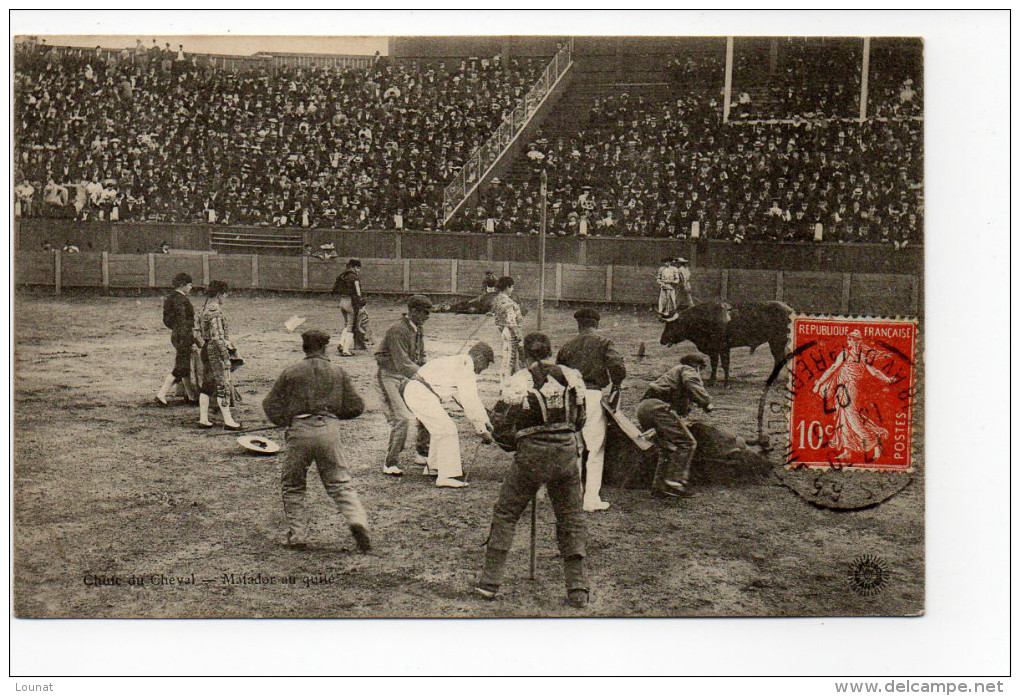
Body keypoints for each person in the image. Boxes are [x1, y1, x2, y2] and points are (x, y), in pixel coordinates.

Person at [475, 332, 590, 608]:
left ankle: (490, 583)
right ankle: (577, 589)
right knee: (571, 518)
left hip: (531, 457)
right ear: (551, 351)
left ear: (526, 354)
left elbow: (501, 427)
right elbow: (580, 419)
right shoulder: (573, 376)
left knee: (506, 513)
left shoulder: (518, 380)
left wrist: (515, 443)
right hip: (565, 453)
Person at [262, 329, 372, 552]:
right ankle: (357, 522)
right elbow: (357, 406)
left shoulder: (291, 371)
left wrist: (285, 421)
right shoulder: (338, 371)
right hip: (329, 430)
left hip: (299, 431)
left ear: (304, 347)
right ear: (325, 347)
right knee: (339, 482)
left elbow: (269, 403)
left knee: (293, 483)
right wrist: (333, 414)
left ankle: (298, 535)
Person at [556, 308, 627, 512]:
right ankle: (591, 499)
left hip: (570, 398)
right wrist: (616, 385)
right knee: (595, 449)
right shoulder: (604, 343)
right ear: (596, 324)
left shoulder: (568, 346)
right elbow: (617, 367)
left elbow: (558, 373)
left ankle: (573, 497)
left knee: (575, 448)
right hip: (593, 396)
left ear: (578, 325)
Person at [403, 343, 496, 488]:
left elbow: (463, 399)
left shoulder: (460, 362)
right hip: (420, 392)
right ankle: (446, 476)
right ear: (479, 357)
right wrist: (481, 431)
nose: (485, 368)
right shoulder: (466, 366)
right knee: (448, 430)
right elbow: (470, 400)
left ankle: (434, 467)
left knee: (440, 430)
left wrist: (485, 421)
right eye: (486, 363)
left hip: (418, 391)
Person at [636, 354, 715, 499]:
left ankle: (659, 487)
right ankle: (675, 483)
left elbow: (681, 406)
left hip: (644, 408)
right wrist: (706, 402)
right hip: (657, 407)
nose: (700, 373)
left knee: (668, 448)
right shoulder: (687, 370)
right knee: (687, 443)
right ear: (697, 366)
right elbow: (691, 382)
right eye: (701, 369)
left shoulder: (673, 375)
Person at [811, 329, 897, 461]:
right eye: (848, 339)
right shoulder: (851, 354)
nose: (847, 341)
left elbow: (873, 371)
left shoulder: (855, 355)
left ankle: (874, 441)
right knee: (842, 418)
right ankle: (847, 451)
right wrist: (819, 383)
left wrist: (887, 379)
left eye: (850, 339)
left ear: (856, 341)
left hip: (850, 388)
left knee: (852, 418)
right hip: (841, 388)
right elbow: (834, 369)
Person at [375, 295, 432, 476]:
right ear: (414, 311)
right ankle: (390, 462)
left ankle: (422, 452)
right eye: (425, 312)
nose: (428, 316)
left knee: (428, 406)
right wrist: (423, 376)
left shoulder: (417, 328)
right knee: (402, 418)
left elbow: (420, 356)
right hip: (389, 377)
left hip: (405, 377)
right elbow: (402, 362)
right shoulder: (398, 329)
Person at [196, 280, 241, 430]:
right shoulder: (215, 312)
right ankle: (228, 421)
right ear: (220, 294)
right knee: (222, 384)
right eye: (225, 295)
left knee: (207, 385)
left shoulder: (204, 309)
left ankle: (203, 419)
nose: (225, 298)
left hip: (206, 348)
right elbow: (217, 338)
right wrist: (225, 356)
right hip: (215, 351)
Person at [156, 272, 198, 406]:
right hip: (183, 335)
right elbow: (183, 321)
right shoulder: (181, 299)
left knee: (184, 364)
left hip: (176, 334)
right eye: (189, 285)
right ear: (182, 285)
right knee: (181, 366)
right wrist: (189, 338)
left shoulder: (170, 298)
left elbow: (167, 320)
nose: (191, 288)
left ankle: (191, 396)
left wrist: (176, 329)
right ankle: (161, 394)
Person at [491, 276, 524, 391]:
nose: (512, 290)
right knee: (510, 360)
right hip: (511, 331)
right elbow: (511, 322)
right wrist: (518, 339)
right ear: (507, 287)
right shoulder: (509, 302)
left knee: (506, 359)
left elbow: (498, 321)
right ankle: (506, 386)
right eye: (511, 287)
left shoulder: (497, 300)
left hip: (504, 331)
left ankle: (503, 384)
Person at [332, 259, 365, 356]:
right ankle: (346, 350)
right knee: (351, 326)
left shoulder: (342, 275)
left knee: (347, 325)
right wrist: (360, 302)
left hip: (342, 301)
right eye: (358, 268)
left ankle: (341, 344)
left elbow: (335, 289)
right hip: (350, 303)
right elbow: (358, 292)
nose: (358, 270)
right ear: (354, 267)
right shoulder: (354, 277)